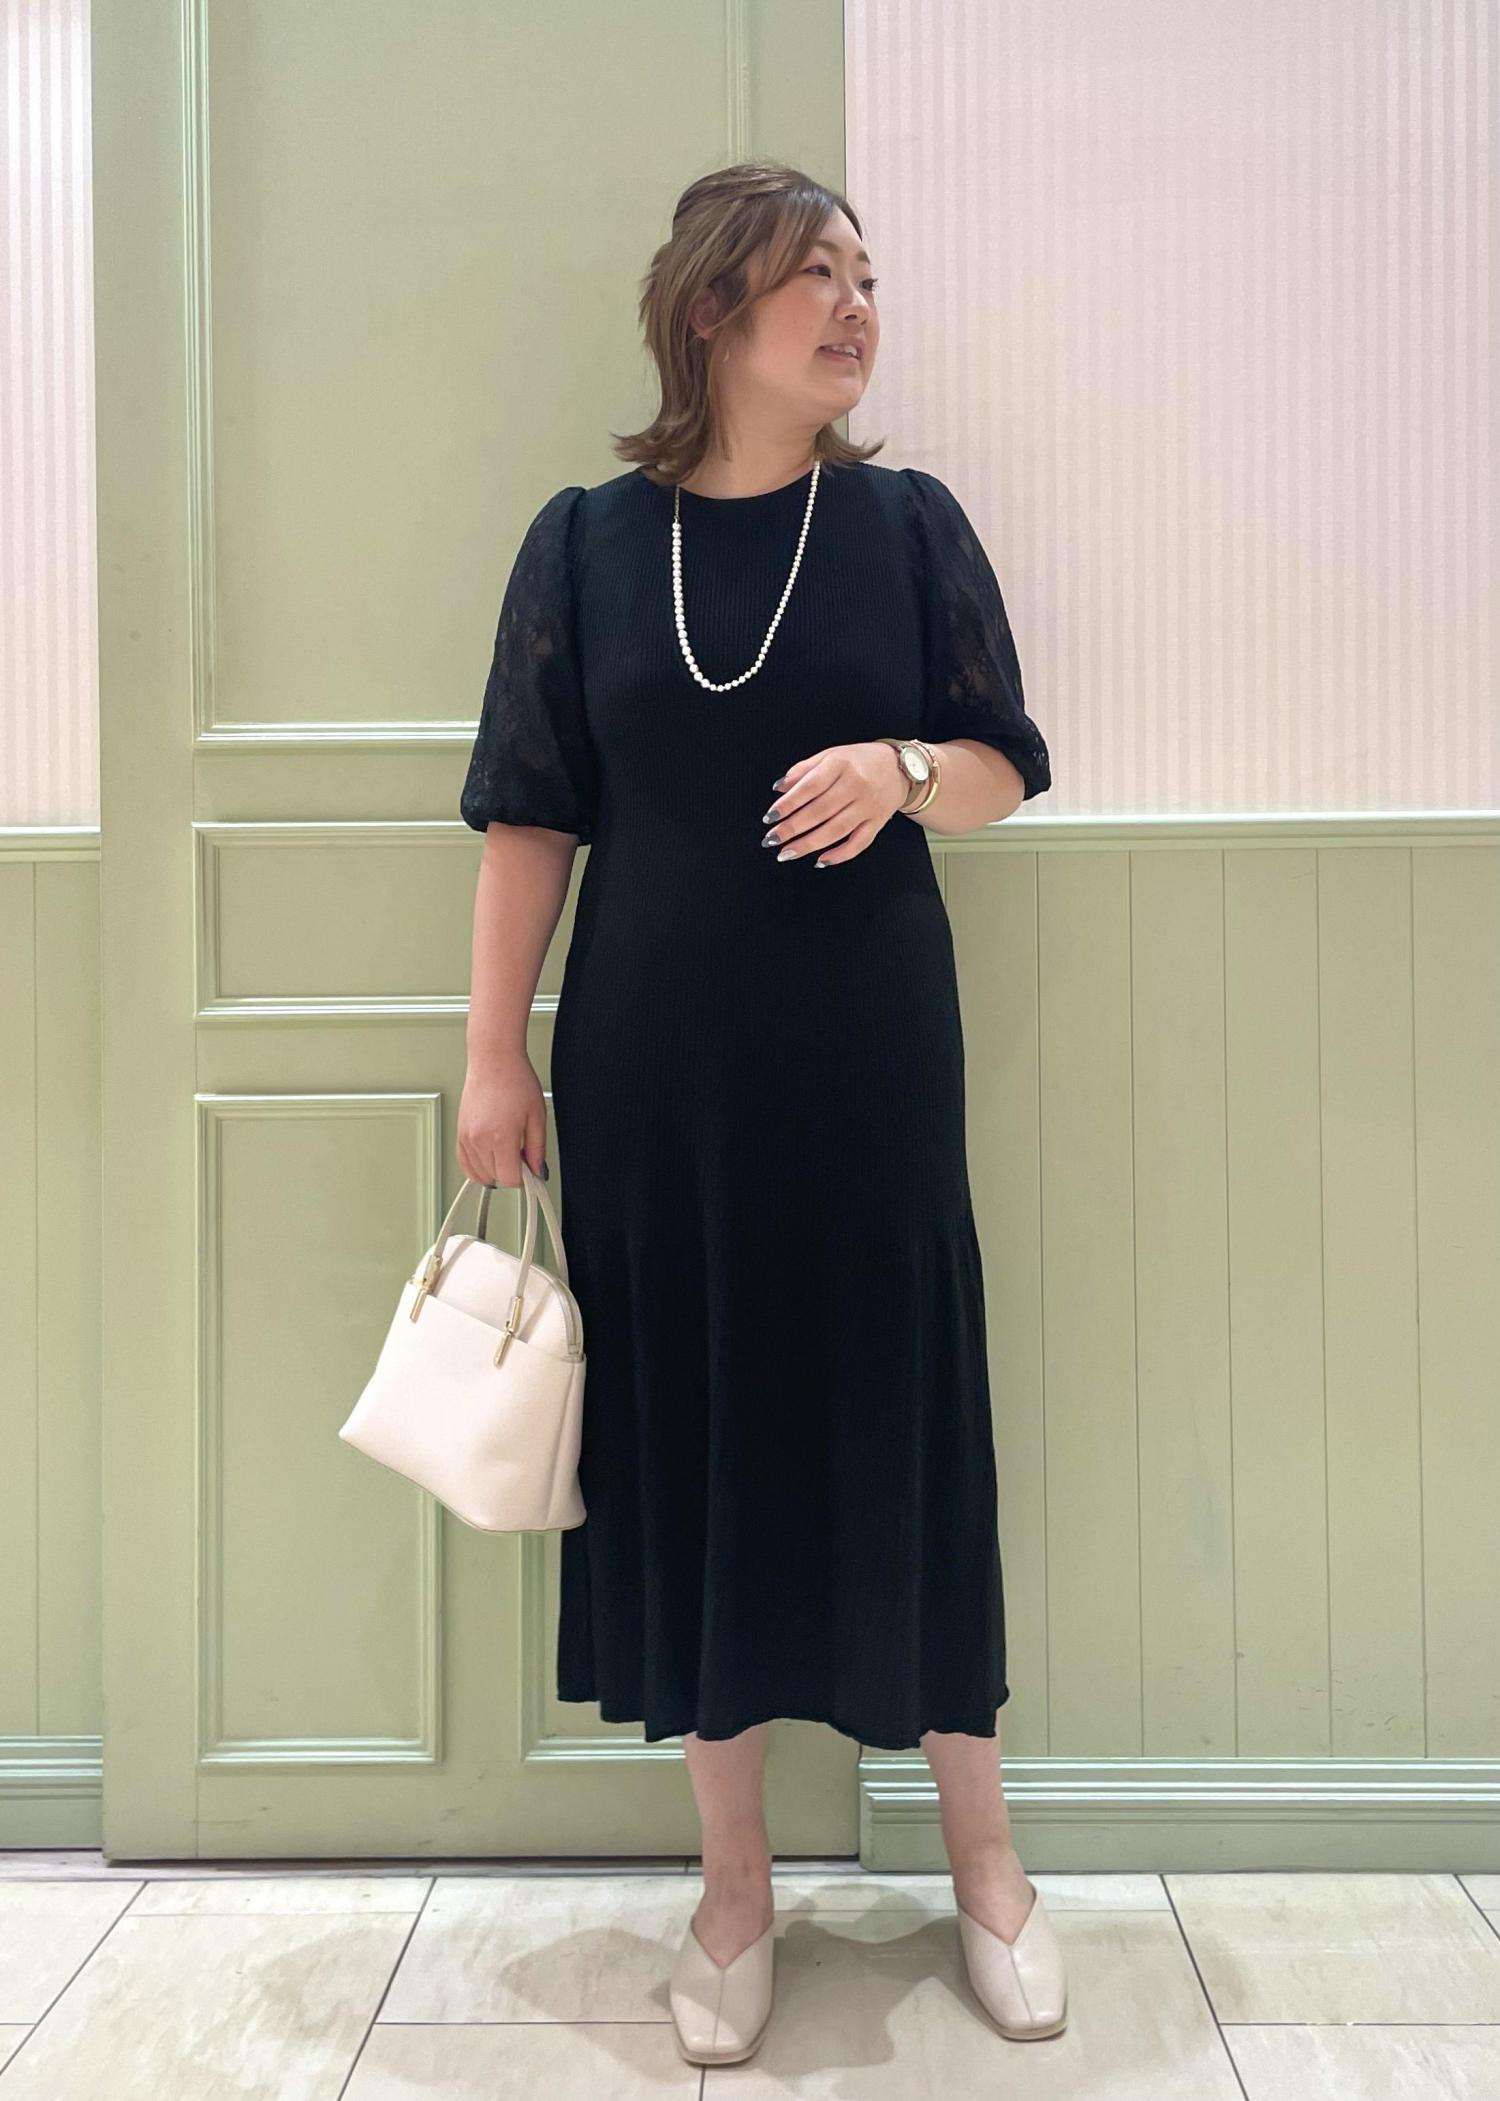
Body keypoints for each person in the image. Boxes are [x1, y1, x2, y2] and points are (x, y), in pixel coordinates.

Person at [457, 160, 1067, 2061]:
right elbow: (529, 813)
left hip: (870, 1059)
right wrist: (492, 1055)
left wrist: (903, 767)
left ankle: (987, 1863)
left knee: (904, 1408)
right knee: (693, 1424)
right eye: (819, 274)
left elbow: (1006, 762)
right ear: (713, 307)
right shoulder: (582, 545)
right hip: (653, 1070)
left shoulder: (904, 523)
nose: (859, 306)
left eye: (870, 276)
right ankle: (736, 1888)